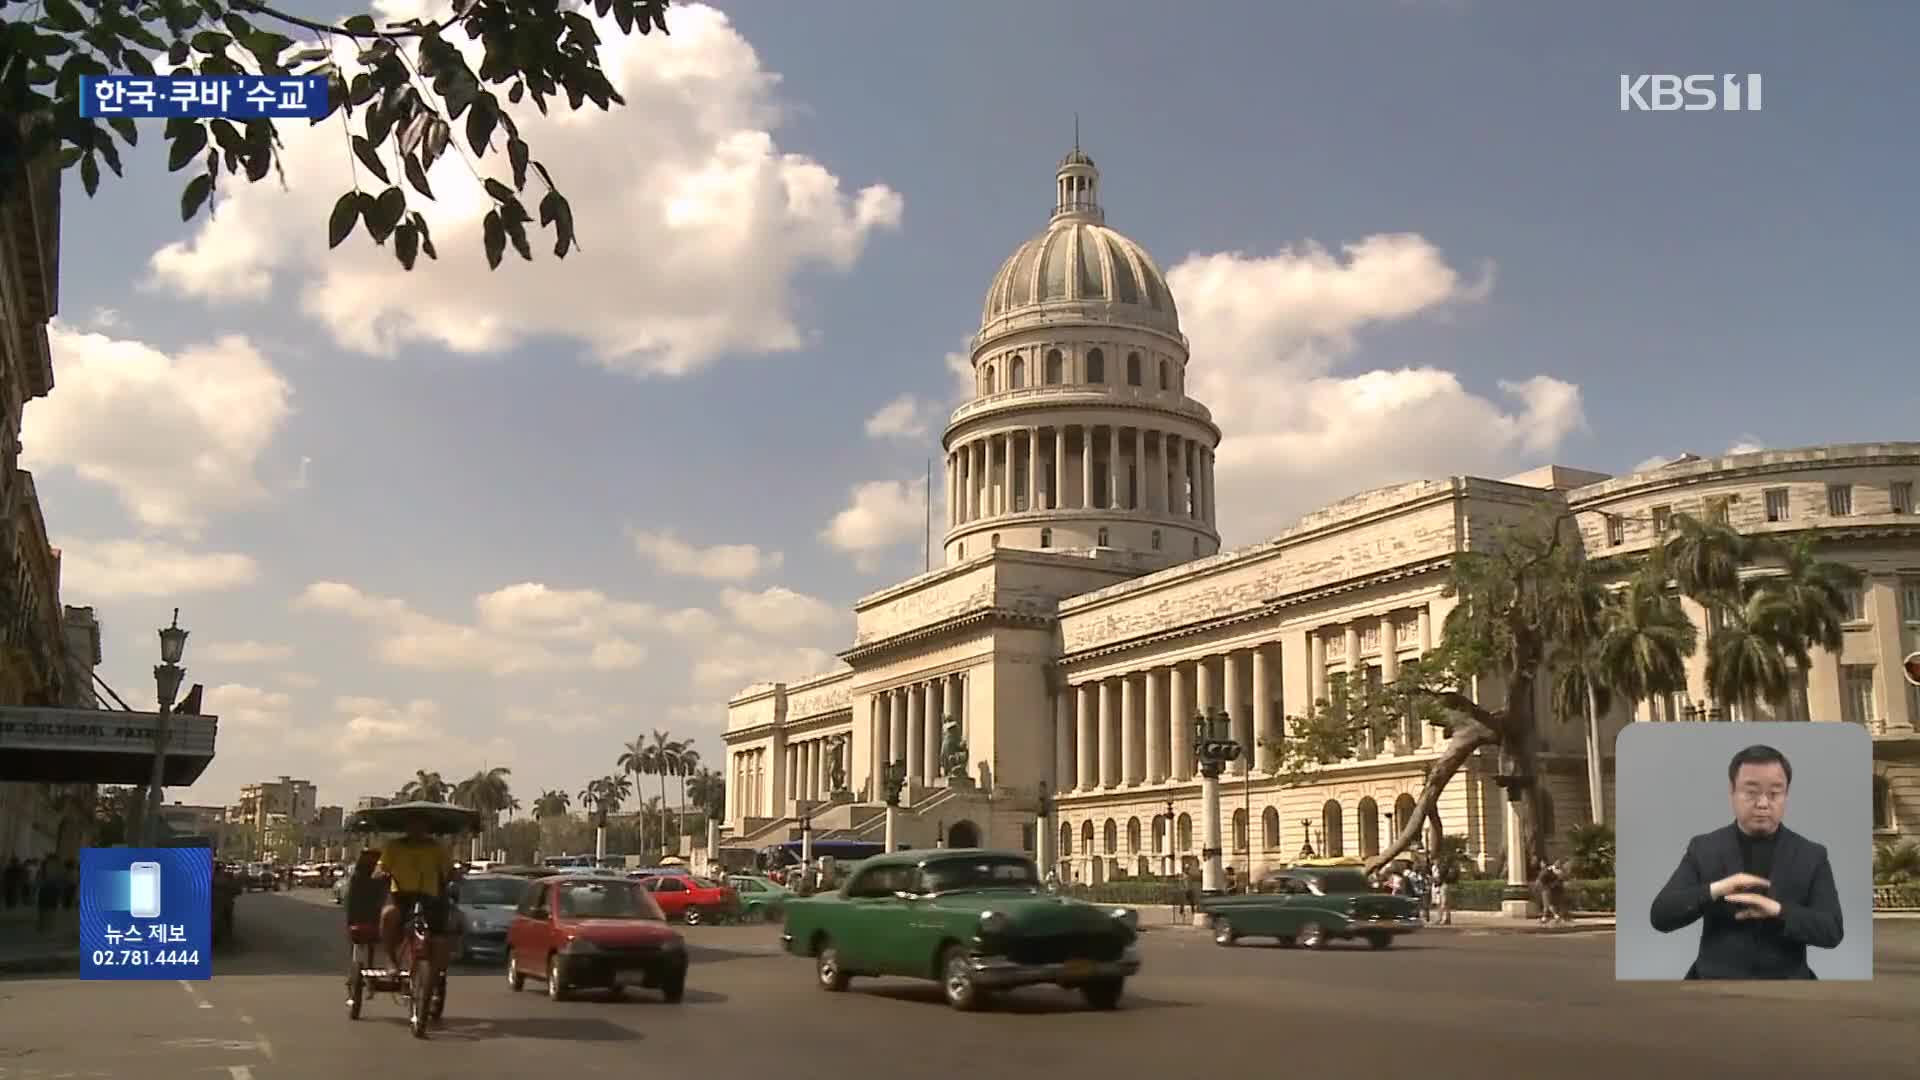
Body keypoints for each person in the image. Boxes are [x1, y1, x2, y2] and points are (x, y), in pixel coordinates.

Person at [1649, 744, 1843, 979]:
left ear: (1786, 795)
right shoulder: (1704, 848)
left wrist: (1779, 911)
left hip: (1789, 989)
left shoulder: (1811, 855)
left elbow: (1832, 930)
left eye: (1774, 793)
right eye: (1751, 792)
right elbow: (1660, 915)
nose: (1763, 803)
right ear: (1732, 791)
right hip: (1713, 986)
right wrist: (1716, 890)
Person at [376, 814, 455, 975]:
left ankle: (436, 972)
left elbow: (449, 871)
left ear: (427, 828)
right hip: (401, 895)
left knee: (441, 935)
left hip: (430, 897)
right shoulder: (394, 846)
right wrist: (380, 873)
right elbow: (381, 868)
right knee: (388, 915)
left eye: (422, 825)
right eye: (413, 825)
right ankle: (391, 960)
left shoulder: (436, 848)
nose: (417, 829)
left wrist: (455, 875)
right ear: (407, 827)